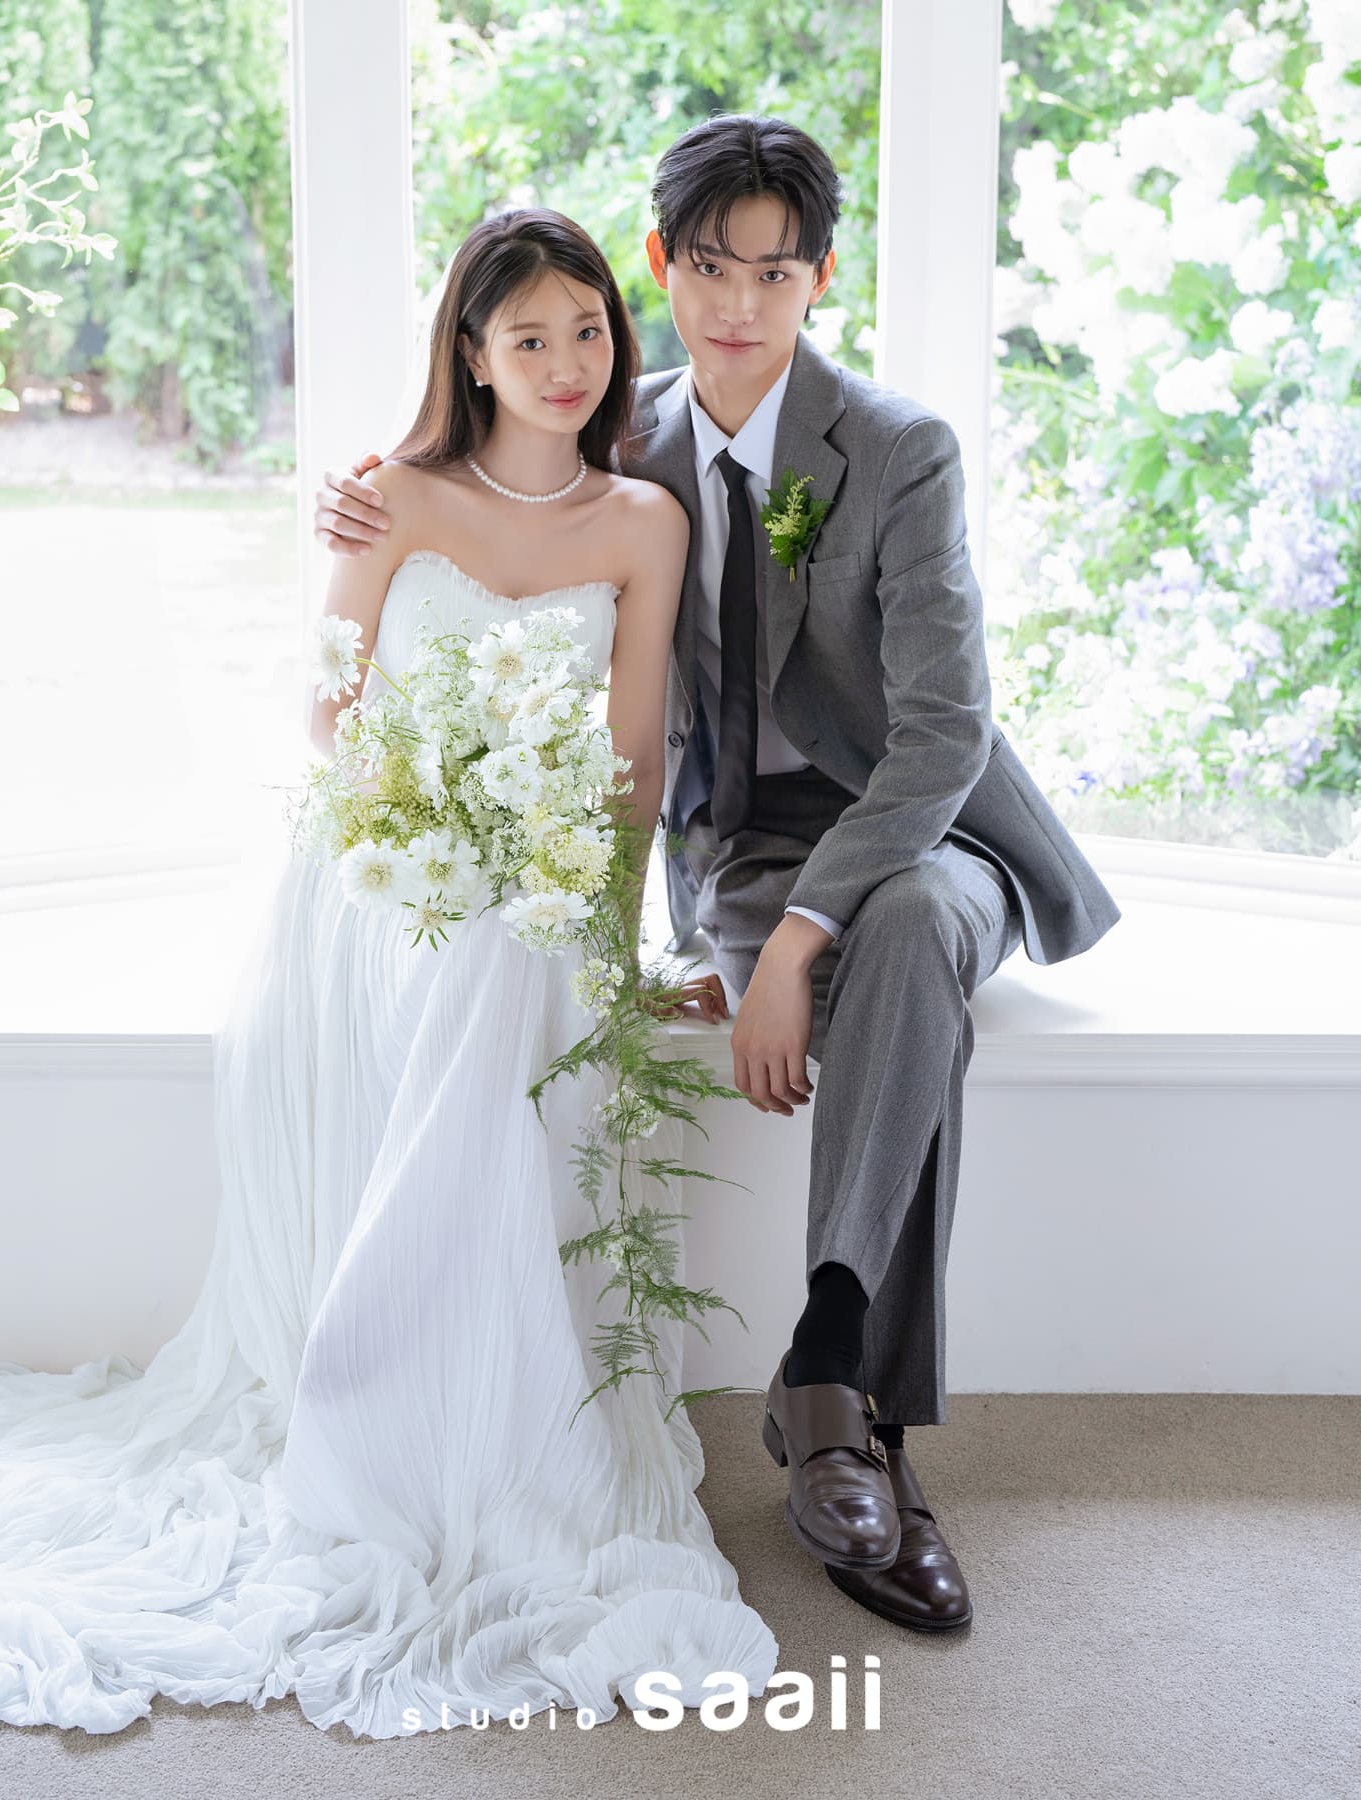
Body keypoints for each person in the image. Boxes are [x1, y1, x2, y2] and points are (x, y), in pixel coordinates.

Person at [0, 206, 781, 1760]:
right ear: (473, 353)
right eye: (529, 337)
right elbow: (327, 714)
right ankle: (377, 1417)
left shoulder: (643, 523)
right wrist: (443, 803)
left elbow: (634, 764)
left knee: (517, 958)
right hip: (385, 869)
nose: (568, 362)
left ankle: (445, 1411)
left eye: (589, 330)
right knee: (478, 958)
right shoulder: (393, 494)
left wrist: (612, 931)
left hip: (538, 875)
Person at [315, 113, 1124, 1635]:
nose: (741, 302)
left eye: (775, 271)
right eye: (709, 267)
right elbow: (476, 499)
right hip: (745, 846)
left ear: (823, 276)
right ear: (661, 265)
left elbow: (946, 729)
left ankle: (829, 1386)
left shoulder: (898, 449)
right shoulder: (614, 428)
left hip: (929, 826)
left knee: (911, 927)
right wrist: (354, 504)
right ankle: (855, 1423)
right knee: (887, 966)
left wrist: (800, 940)